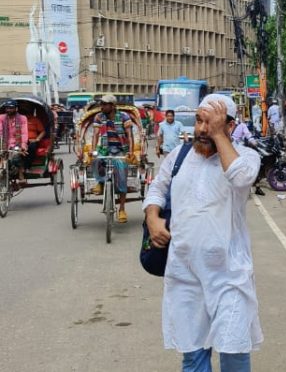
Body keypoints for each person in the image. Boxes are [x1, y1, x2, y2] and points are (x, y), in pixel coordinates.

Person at [143, 94, 262, 371]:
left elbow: (241, 178)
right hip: (184, 275)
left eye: (212, 123)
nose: (202, 129)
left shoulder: (245, 157)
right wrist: (152, 218)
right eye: (199, 120)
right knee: (193, 356)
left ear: (229, 126)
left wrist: (219, 136)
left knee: (234, 350)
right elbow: (157, 188)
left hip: (229, 277)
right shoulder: (181, 155)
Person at [92, 94, 133, 223]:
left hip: (120, 150)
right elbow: (96, 134)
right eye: (101, 104)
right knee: (95, 159)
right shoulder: (99, 117)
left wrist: (130, 152)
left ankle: (121, 209)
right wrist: (93, 150)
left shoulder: (124, 117)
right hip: (104, 148)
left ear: (113, 106)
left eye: (105, 104)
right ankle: (100, 181)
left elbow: (130, 135)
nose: (102, 106)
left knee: (122, 176)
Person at [0, 100, 29, 184]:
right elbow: (0, 131)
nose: (9, 110)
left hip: (18, 143)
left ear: (16, 109)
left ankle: (20, 173)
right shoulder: (1, 117)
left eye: (11, 108)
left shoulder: (22, 118)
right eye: (7, 108)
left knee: (16, 157)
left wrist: (23, 145)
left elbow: (24, 133)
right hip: (4, 142)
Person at [23, 105, 46, 175]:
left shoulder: (35, 120)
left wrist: (37, 139)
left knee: (31, 148)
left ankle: (26, 167)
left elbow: (43, 131)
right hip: (20, 141)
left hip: (33, 141)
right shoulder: (18, 120)